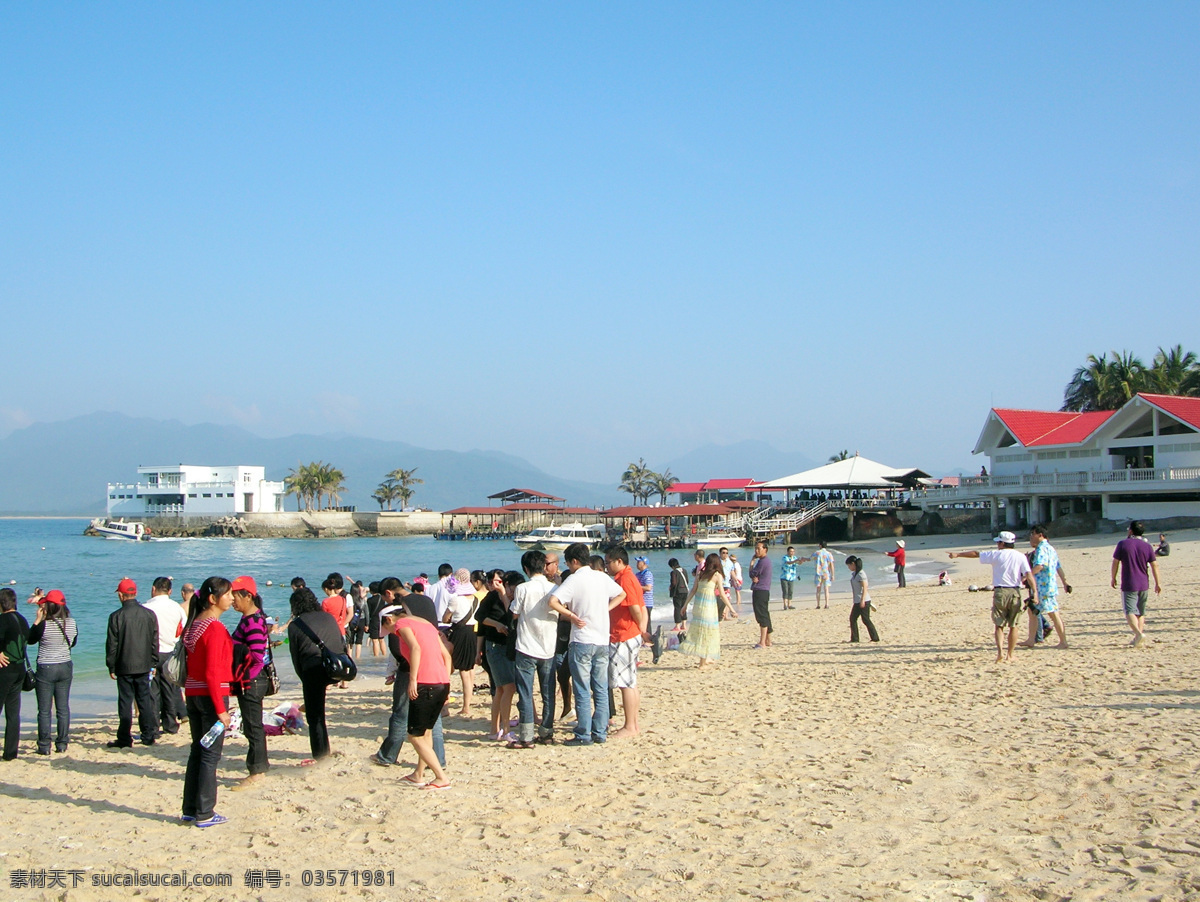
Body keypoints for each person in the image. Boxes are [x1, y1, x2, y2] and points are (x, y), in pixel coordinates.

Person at [549, 542, 626, 746]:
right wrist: (605, 608)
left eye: (568, 562)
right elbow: (621, 594)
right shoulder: (601, 576)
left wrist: (571, 615)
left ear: (574, 561)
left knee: (582, 688)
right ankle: (599, 731)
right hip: (601, 638)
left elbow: (553, 601)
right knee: (600, 687)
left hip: (582, 638)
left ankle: (584, 733)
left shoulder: (574, 579)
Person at [181, 577, 235, 828]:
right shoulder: (213, 628)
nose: (232, 598)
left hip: (193, 693)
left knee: (197, 751)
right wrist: (221, 709)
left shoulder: (194, 624)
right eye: (228, 594)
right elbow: (213, 671)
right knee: (210, 755)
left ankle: (191, 809)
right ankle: (205, 812)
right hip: (210, 694)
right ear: (213, 599)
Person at [372, 598, 446, 770]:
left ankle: (387, 755)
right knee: (432, 721)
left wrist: (411, 678)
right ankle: (437, 759)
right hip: (437, 674)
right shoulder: (425, 609)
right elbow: (443, 651)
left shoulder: (401, 625)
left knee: (401, 715)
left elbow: (410, 649)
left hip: (413, 672)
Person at [391, 598, 454, 789]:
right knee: (425, 732)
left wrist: (413, 680)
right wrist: (448, 681)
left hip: (426, 683)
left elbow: (415, 648)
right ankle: (418, 773)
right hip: (442, 681)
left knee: (414, 736)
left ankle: (441, 777)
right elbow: (446, 654)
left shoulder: (401, 624)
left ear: (389, 619)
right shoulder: (426, 624)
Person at [949, 531, 1038, 663]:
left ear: (1002, 543)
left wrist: (957, 555)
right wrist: (1034, 592)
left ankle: (1000, 653)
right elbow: (1029, 575)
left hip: (1000, 591)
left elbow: (976, 554)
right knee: (1014, 625)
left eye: (998, 542)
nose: (997, 544)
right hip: (1015, 591)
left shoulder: (996, 555)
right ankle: (1010, 654)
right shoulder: (1020, 556)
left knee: (999, 625)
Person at [287, 587, 346, 762]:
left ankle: (321, 754)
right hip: (335, 667)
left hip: (312, 669)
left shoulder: (295, 625)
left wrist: (304, 679)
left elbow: (296, 658)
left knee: (315, 716)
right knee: (317, 706)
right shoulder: (328, 617)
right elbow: (340, 642)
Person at [508, 550, 559, 748]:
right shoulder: (554, 588)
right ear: (544, 566)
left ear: (526, 569)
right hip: (548, 646)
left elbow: (515, 613)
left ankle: (526, 736)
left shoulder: (522, 588)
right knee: (548, 691)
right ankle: (546, 732)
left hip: (526, 646)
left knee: (526, 692)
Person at [105, 578, 160, 748]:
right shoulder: (149, 614)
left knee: (125, 702)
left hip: (124, 665)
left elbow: (112, 645)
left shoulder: (116, 616)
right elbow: (154, 641)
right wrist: (154, 662)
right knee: (144, 700)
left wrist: (111, 665)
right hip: (143, 664)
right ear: (134, 593)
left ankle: (124, 737)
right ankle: (148, 734)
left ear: (121, 595)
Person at [229, 576, 271, 789]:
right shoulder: (250, 618)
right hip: (249, 679)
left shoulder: (253, 621)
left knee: (253, 726)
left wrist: (246, 677)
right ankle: (258, 768)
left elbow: (257, 655)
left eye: (235, 596)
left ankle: (257, 771)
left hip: (252, 680)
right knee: (252, 725)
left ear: (248, 596)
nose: (232, 600)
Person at [604, 547, 648, 740]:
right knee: (630, 681)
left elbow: (636, 608)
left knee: (625, 683)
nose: (606, 566)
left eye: (608, 562)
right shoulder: (628, 578)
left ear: (619, 561)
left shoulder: (626, 579)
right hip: (628, 633)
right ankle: (633, 724)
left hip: (624, 634)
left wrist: (641, 630)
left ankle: (630, 725)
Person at [27, 589, 77, 755]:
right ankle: (62, 743)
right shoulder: (71, 622)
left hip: (46, 667)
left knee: (44, 709)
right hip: (65, 665)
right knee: (63, 708)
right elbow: (74, 643)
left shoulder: (44, 624)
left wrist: (37, 619)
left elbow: (30, 639)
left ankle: (44, 745)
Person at [476, 569, 519, 741]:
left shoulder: (511, 597)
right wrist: (495, 624)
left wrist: (504, 595)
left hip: (508, 646)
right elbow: (479, 617)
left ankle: (495, 730)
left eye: (499, 582)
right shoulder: (491, 597)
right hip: (494, 646)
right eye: (492, 582)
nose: (495, 585)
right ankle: (503, 729)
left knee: (502, 689)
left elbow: (511, 616)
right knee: (507, 687)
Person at [144, 576, 186, 735]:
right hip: (171, 651)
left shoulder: (146, 607)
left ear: (153, 589)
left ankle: (154, 726)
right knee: (169, 690)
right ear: (170, 591)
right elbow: (182, 630)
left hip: (152, 652)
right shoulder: (177, 608)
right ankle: (170, 724)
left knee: (153, 692)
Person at [1111, 520, 1162, 647]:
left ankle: (1138, 634)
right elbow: (1154, 565)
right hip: (1144, 582)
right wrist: (1158, 583)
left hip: (1129, 582)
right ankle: (1137, 638)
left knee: (1129, 610)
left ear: (1130, 531)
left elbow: (1115, 562)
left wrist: (1113, 577)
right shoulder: (1147, 546)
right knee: (1140, 612)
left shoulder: (1123, 544)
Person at [1019, 525, 1070, 649]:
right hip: (1048, 586)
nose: (1031, 537)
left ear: (1040, 535)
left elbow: (1040, 566)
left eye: (1033, 534)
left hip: (1043, 587)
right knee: (1032, 611)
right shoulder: (1051, 548)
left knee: (1053, 613)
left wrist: (1026, 576)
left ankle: (1063, 641)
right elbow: (1058, 567)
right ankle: (1031, 639)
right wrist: (1064, 582)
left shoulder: (1042, 549)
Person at [678, 553, 728, 668]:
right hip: (709, 607)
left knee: (702, 632)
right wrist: (731, 608)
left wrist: (685, 605)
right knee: (707, 633)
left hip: (698, 607)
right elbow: (722, 594)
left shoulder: (700, 574)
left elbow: (693, 590)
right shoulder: (717, 575)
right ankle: (702, 663)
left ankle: (705, 659)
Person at [443, 567, 480, 717]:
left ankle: (464, 707)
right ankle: (467, 704)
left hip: (459, 633)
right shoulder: (476, 599)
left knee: (459, 670)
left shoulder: (456, 599)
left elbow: (446, 617)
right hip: (472, 633)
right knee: (469, 669)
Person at [0, 588, 30, 760]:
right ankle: (10, 752)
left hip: (5, 670)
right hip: (20, 669)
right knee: (13, 713)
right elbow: (29, 638)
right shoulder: (22, 619)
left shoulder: (3, 619)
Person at [845, 556, 880, 643]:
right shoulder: (854, 574)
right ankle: (855, 639)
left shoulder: (861, 574)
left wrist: (862, 600)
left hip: (863, 600)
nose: (849, 568)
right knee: (853, 618)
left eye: (849, 566)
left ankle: (875, 638)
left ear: (853, 564)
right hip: (857, 600)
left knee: (865, 619)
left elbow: (865, 587)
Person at [749, 540, 773, 648]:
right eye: (756, 548)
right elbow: (755, 576)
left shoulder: (763, 561)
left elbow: (752, 573)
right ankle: (768, 640)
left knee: (761, 615)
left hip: (760, 590)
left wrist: (752, 563)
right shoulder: (765, 561)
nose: (756, 550)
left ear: (765, 549)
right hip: (764, 590)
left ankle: (762, 642)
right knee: (765, 614)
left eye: (759, 548)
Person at [668, 558, 690, 630]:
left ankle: (677, 625)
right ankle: (684, 625)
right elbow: (687, 581)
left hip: (678, 592)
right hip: (685, 591)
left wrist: (671, 587)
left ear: (672, 565)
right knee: (683, 607)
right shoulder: (684, 570)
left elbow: (674, 583)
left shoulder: (674, 572)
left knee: (677, 608)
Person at [812, 542, 835, 609]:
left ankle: (818, 604)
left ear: (820, 545)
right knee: (826, 589)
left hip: (818, 573)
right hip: (826, 573)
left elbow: (810, 558)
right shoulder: (829, 554)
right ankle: (827, 604)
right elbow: (831, 565)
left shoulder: (816, 553)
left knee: (818, 589)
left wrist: (802, 559)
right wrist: (833, 575)